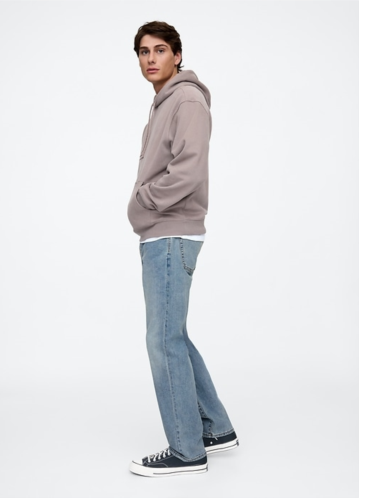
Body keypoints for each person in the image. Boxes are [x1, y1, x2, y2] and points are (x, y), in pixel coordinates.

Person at [127, 21, 238, 478]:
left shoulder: (186, 100)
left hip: (171, 232)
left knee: (162, 340)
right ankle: (216, 428)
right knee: (174, 335)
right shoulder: (164, 102)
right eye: (143, 51)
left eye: (159, 50)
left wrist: (143, 200)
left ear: (177, 55)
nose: (150, 58)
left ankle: (187, 450)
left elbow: (188, 172)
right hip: (165, 233)